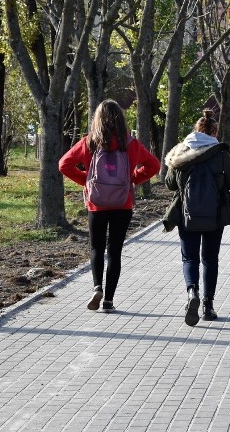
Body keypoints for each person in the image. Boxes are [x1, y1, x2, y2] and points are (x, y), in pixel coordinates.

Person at [59, 99, 160, 313]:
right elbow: (154, 165)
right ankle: (109, 301)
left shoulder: (89, 142)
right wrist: (132, 179)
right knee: (114, 251)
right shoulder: (131, 144)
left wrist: (86, 180)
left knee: (96, 247)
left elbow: (64, 164)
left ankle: (97, 287)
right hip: (123, 203)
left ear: (97, 120)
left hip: (96, 203)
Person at [163, 109, 230, 326]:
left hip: (187, 214)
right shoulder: (220, 153)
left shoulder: (181, 151)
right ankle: (208, 305)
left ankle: (192, 293)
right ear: (214, 132)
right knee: (210, 259)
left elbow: (169, 184)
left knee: (189, 258)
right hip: (214, 215)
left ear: (196, 129)